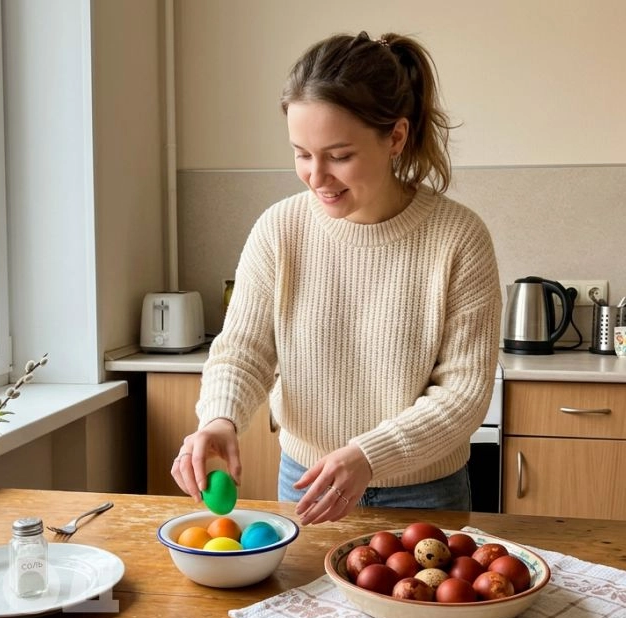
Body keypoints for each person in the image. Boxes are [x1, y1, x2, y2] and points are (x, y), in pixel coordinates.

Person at [171, 31, 501, 526]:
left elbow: (462, 395)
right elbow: (243, 350)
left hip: (425, 496)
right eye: (302, 153)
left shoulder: (459, 238)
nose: (316, 176)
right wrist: (220, 417)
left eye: (339, 155)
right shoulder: (280, 229)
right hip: (306, 483)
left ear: (395, 137)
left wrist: (368, 457)